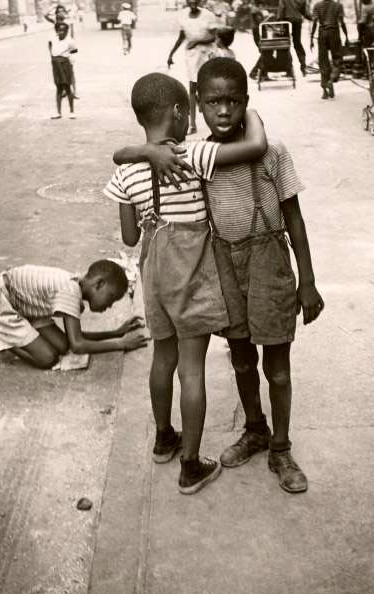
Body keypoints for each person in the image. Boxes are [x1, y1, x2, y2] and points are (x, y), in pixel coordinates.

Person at [138, 58, 324, 494]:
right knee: (242, 359)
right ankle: (255, 428)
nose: (224, 111)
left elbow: (295, 220)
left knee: (277, 366)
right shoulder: (195, 156)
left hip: (270, 263)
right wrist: (147, 150)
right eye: (214, 102)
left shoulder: (271, 151)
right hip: (223, 267)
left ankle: (281, 447)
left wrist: (308, 280)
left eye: (234, 101)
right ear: (197, 105)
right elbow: (135, 159)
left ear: (246, 102)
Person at [104, 72, 268, 495]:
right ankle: (191, 465)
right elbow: (256, 147)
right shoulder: (192, 154)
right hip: (190, 267)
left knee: (164, 357)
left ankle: (164, 439)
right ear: (179, 112)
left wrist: (139, 156)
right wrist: (249, 111)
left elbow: (128, 238)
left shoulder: (127, 172)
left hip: (153, 269)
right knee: (191, 369)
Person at [0, 260, 148, 368]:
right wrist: (121, 343)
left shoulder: (74, 288)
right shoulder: (71, 290)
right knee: (47, 358)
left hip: (24, 305)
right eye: (111, 298)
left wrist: (115, 332)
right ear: (99, 284)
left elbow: (73, 340)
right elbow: (78, 345)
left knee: (62, 345)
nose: (109, 306)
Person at [167, 0, 219, 134]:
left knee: (210, 87)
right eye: (190, 1)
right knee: (192, 88)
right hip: (192, 56)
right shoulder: (183, 16)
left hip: (208, 53)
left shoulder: (208, 15)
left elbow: (214, 37)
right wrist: (171, 54)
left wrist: (197, 41)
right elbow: (181, 37)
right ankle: (193, 124)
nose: (193, 3)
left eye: (195, 0)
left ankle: (215, 122)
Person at [310, 0, 349, 99]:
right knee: (337, 60)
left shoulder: (317, 5)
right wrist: (346, 36)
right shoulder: (338, 5)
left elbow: (314, 21)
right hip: (334, 33)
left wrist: (311, 38)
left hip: (322, 33)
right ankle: (330, 81)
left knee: (323, 62)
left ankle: (325, 91)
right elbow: (342, 22)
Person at [45, 5, 79, 98]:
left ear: (65, 12)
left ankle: (74, 92)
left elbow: (72, 35)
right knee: (61, 72)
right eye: (59, 11)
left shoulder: (68, 21)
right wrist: (53, 7)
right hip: (59, 48)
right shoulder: (56, 21)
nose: (61, 13)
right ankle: (65, 90)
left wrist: (73, 49)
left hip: (68, 47)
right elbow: (46, 15)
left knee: (71, 70)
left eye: (62, 11)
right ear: (56, 13)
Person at [49, 22, 77, 119]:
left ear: (67, 31)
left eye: (64, 31)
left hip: (65, 64)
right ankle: (58, 112)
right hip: (56, 64)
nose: (61, 32)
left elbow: (74, 50)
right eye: (59, 30)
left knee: (67, 87)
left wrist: (67, 56)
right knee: (58, 88)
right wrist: (52, 58)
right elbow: (50, 46)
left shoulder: (69, 41)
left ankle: (72, 111)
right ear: (56, 31)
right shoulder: (53, 39)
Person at [277, 0, 311, 76]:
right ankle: (303, 66)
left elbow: (281, 10)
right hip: (297, 20)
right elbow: (304, 12)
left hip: (286, 21)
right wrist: (310, 18)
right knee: (297, 43)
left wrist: (279, 22)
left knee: (285, 44)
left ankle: (289, 69)